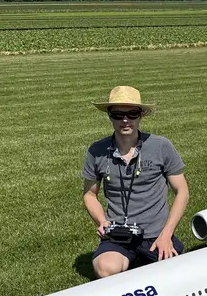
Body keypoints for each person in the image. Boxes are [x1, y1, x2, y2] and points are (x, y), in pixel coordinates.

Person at [80, 85, 189, 278]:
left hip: (156, 233)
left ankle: (148, 253)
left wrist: (166, 234)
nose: (125, 120)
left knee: (174, 275)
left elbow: (182, 192)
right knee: (105, 268)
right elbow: (89, 194)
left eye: (132, 114)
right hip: (118, 234)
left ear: (141, 115)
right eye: (117, 115)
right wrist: (102, 221)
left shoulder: (161, 146)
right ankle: (128, 257)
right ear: (109, 116)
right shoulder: (96, 151)